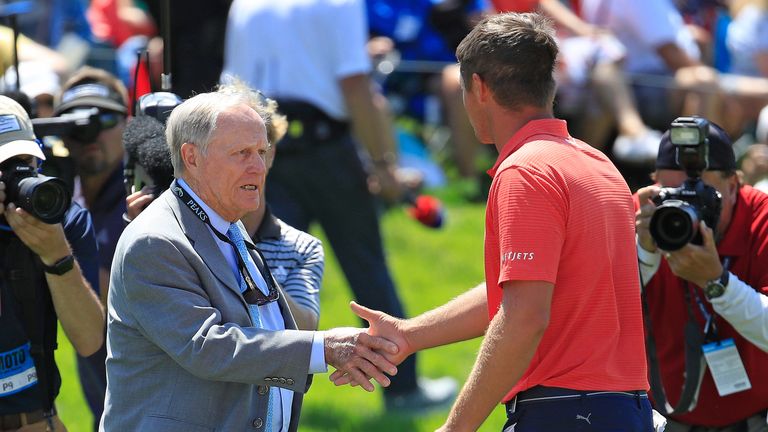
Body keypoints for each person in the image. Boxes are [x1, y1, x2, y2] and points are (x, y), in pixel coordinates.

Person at [332, 12, 653, 431]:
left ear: (478, 87)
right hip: (623, 411)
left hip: (563, 413)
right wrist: (410, 335)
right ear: (548, 84)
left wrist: (455, 427)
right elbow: (527, 287)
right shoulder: (599, 164)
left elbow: (523, 315)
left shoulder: (525, 171)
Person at [101, 91, 401, 431]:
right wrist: (324, 349)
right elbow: (207, 347)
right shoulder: (156, 241)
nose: (259, 168)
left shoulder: (227, 225)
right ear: (192, 157)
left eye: (262, 152)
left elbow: (265, 337)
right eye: (241, 153)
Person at [222, 0, 457, 412]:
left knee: (262, 276)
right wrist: (385, 166)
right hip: (326, 150)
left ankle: (253, 399)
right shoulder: (339, 2)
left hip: (263, 149)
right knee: (366, 269)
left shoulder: (246, 3)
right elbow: (354, 85)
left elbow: (233, 86)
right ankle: (402, 389)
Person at [634, 120, 768, 430]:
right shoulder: (642, 218)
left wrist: (718, 284)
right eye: (673, 194)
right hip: (666, 418)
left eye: (703, 196)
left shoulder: (760, 219)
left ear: (734, 186)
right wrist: (644, 254)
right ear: (654, 184)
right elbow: (603, 320)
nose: (685, 208)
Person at [0, 95, 104, 431]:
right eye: (3, 168)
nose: (17, 179)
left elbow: (89, 340)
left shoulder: (63, 220)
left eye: (24, 163)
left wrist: (57, 255)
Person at [52, 66, 128, 430]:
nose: (91, 133)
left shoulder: (149, 195)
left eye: (106, 117)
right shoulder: (55, 200)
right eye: (77, 121)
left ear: (129, 125)